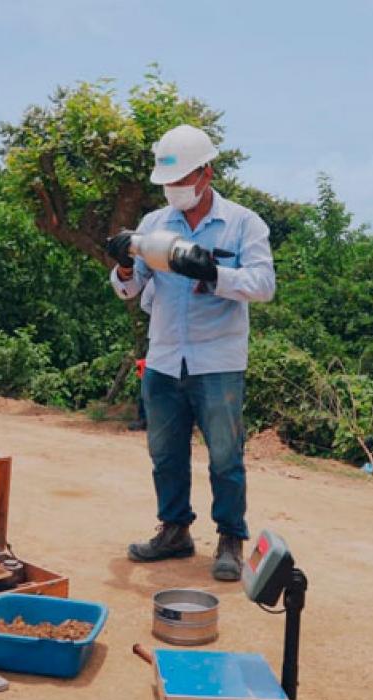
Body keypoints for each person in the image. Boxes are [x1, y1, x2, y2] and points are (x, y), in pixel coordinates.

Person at [105, 124, 275, 582]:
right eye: (169, 184)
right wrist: (122, 263)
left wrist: (214, 274)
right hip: (163, 358)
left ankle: (230, 538)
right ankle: (175, 529)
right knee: (165, 453)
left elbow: (263, 286)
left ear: (206, 173)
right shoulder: (154, 225)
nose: (175, 191)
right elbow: (131, 287)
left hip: (217, 362)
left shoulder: (243, 223)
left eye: (182, 181)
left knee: (225, 454)